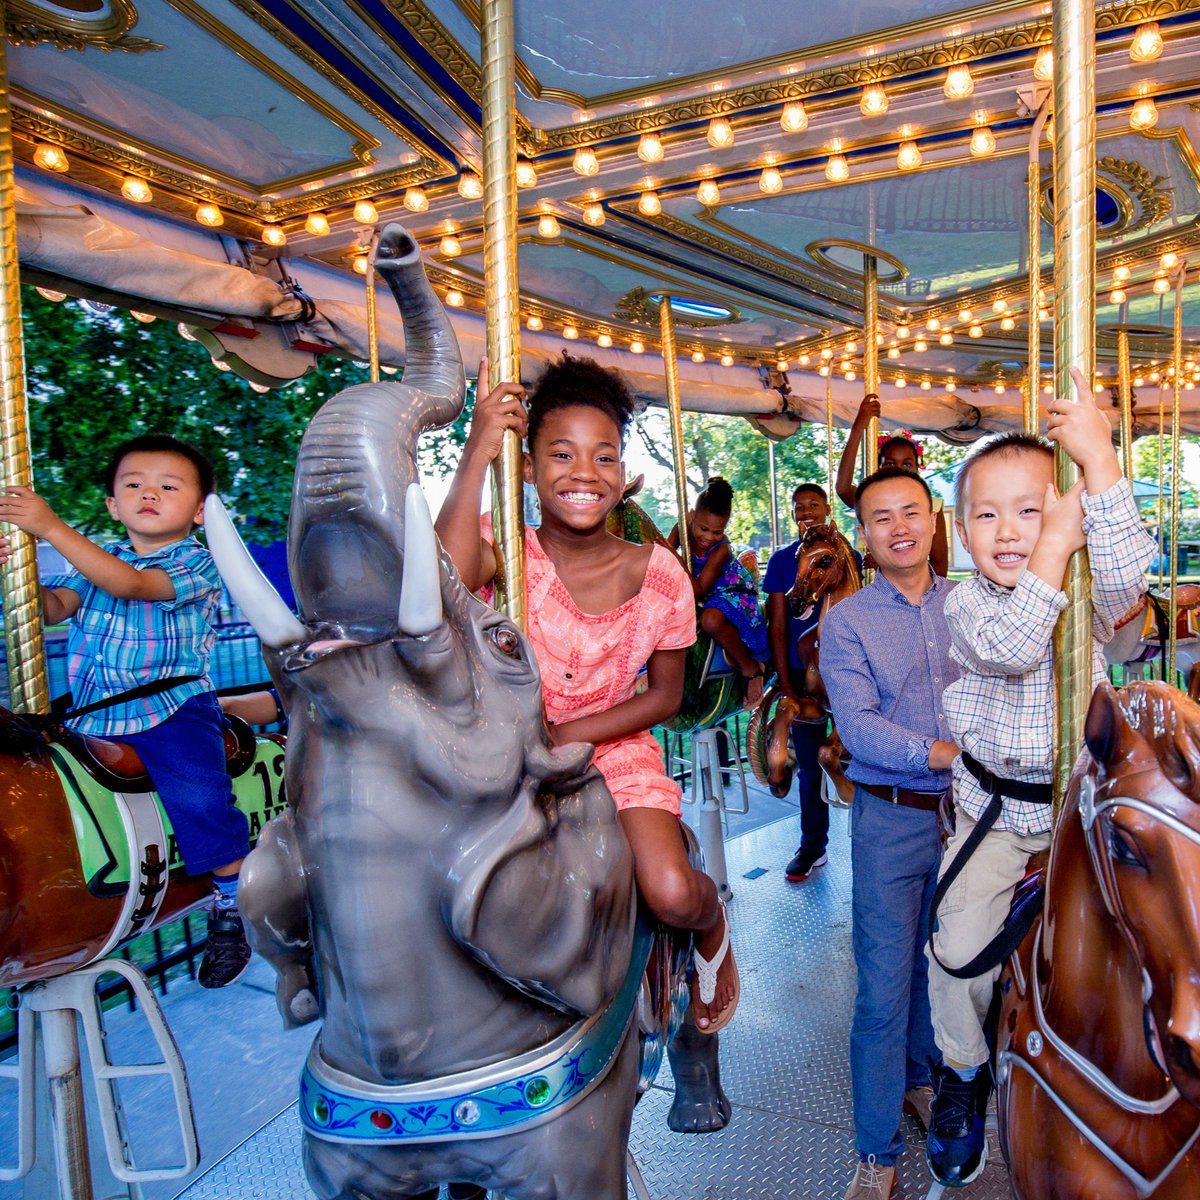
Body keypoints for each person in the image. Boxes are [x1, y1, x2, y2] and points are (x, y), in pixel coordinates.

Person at [436, 355, 739, 1033]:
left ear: (624, 473)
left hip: (615, 749)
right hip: (508, 754)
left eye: (604, 457)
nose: (583, 473)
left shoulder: (657, 574)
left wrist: (574, 735)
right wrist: (479, 446)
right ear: (526, 466)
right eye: (561, 453)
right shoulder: (506, 551)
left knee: (666, 889)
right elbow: (442, 581)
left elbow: (664, 697)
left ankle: (711, 922)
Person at [923, 367, 1156, 1187]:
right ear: (960, 529)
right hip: (995, 811)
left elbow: (1132, 582)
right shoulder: (964, 602)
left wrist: (1101, 468)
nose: (1011, 530)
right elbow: (1015, 646)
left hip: (1080, 804)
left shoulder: (1084, 583)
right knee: (956, 953)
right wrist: (1058, 542)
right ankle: (960, 1072)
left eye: (1032, 510)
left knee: (1157, 920)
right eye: (987, 514)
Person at [0, 434, 252, 988]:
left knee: (198, 794)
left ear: (199, 509)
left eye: (168, 486)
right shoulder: (95, 555)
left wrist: (49, 528)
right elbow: (51, 609)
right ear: (114, 504)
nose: (148, 494)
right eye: (133, 485)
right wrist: (19, 576)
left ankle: (233, 902)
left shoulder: (195, 562)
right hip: (92, 715)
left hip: (171, 709)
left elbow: (131, 585)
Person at [820, 465, 959, 1200]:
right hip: (893, 816)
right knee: (880, 987)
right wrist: (937, 753)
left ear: (934, 518)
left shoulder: (972, 604)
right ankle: (875, 1152)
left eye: (911, 511)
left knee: (941, 968)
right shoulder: (847, 621)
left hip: (967, 816)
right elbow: (858, 727)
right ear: (864, 535)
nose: (899, 527)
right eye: (881, 517)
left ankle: (922, 1080)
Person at [762, 482, 859, 882]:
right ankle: (812, 845)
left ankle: (868, 846)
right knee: (809, 768)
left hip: (847, 670)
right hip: (803, 676)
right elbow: (779, 624)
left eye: (813, 505)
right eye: (799, 507)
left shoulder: (843, 554)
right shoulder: (782, 561)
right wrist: (786, 685)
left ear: (826, 510)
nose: (806, 512)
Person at [667, 475, 769, 708]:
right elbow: (662, 556)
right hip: (708, 592)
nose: (708, 537)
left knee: (711, 620)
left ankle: (750, 668)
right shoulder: (682, 527)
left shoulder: (721, 549)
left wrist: (672, 555)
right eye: (704, 528)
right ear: (691, 515)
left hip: (732, 591)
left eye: (717, 531)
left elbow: (699, 589)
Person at [837, 394, 950, 576]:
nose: (898, 469)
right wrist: (859, 425)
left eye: (907, 464)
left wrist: (889, 565)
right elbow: (842, 488)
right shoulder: (871, 502)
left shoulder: (932, 506)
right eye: (890, 463)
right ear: (879, 467)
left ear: (917, 468)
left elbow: (939, 568)